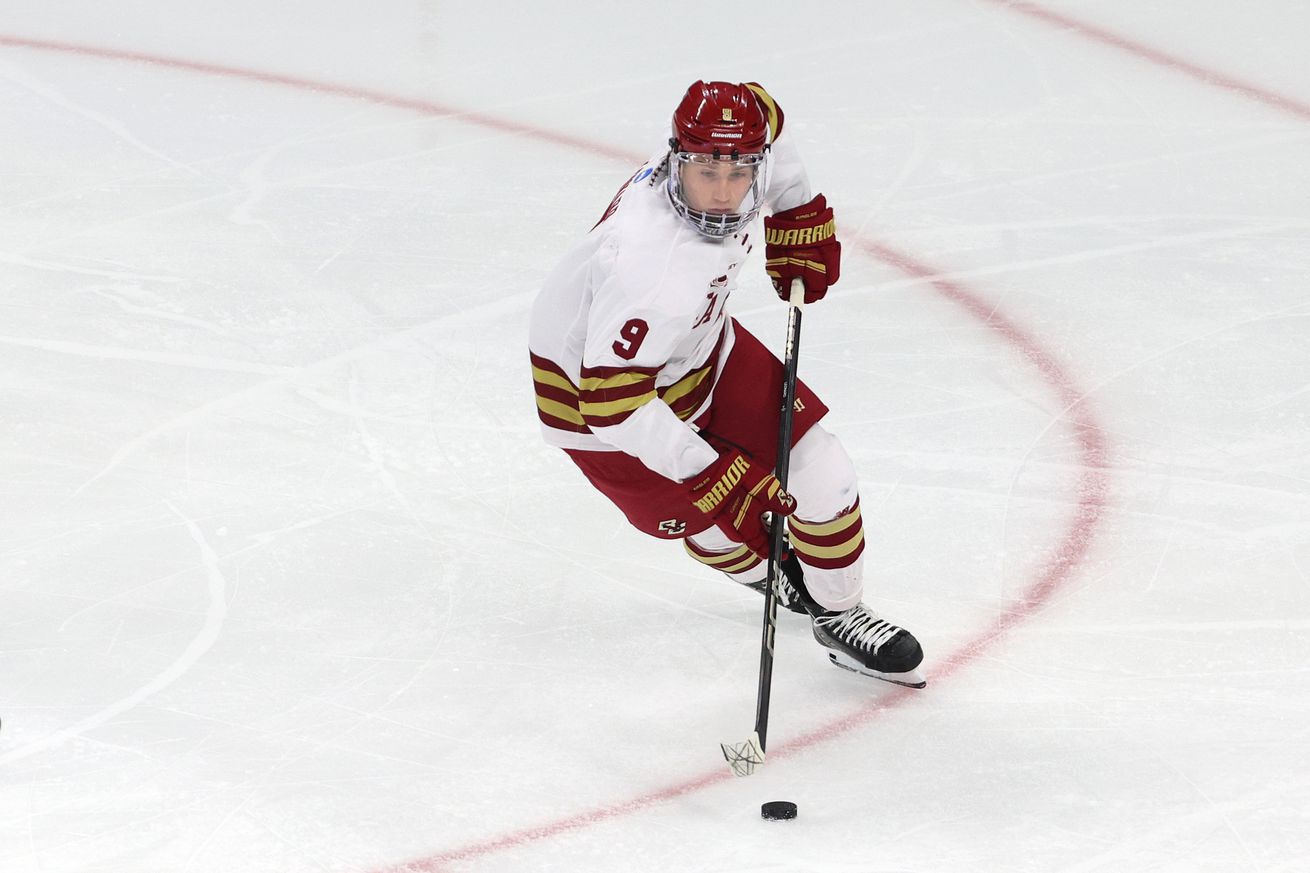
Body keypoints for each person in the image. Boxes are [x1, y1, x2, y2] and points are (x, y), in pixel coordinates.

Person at [529, 80, 925, 688]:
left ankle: (841, 615)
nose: (719, 194)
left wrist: (796, 209)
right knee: (713, 524)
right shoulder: (652, 267)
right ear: (675, 160)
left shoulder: (746, 152)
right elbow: (610, 403)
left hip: (699, 350)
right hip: (599, 410)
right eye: (703, 172)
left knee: (823, 471)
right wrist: (709, 470)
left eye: (738, 173)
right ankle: (760, 572)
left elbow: (769, 117)